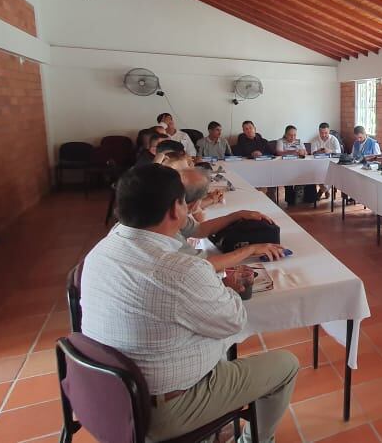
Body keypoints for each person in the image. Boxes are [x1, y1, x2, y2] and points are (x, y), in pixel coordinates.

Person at [80, 165, 298, 442]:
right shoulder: (182, 270)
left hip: (107, 396)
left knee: (209, 340)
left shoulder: (101, 249)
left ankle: (212, 430)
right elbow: (234, 321)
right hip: (160, 411)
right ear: (175, 209)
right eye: (185, 201)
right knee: (285, 365)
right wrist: (229, 289)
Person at [176, 168, 284, 269]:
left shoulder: (174, 215)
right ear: (194, 206)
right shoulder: (171, 235)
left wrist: (237, 215)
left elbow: (199, 229)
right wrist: (252, 249)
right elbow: (206, 264)